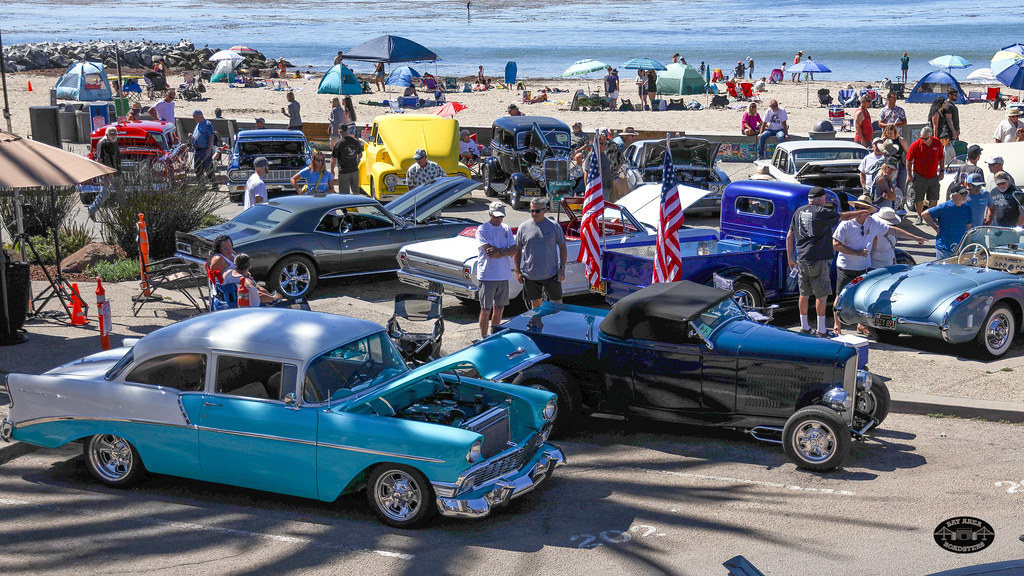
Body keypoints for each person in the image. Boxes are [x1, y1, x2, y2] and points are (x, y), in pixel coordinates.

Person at [834, 195, 925, 333]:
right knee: (840, 296)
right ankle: (837, 326)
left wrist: (914, 237)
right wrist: (856, 253)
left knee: (861, 297)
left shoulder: (872, 223)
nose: (858, 210)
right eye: (856, 207)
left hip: (864, 267)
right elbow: (835, 245)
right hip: (846, 266)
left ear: (867, 212)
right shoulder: (845, 224)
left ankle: (860, 325)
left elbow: (893, 230)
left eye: (862, 208)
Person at [786, 187, 866, 337]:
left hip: (802, 259)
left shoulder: (798, 212)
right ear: (821, 199)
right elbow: (845, 216)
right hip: (818, 259)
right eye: (824, 199)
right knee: (821, 296)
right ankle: (822, 330)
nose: (824, 202)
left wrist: (791, 258)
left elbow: (790, 236)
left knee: (804, 294)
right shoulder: (821, 212)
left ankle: (804, 327)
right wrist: (861, 212)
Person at [514, 198, 568, 309]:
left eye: (537, 211)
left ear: (545, 211)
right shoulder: (523, 227)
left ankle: (555, 321)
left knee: (557, 304)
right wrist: (517, 271)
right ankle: (537, 321)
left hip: (551, 274)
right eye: (532, 211)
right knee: (535, 305)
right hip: (531, 276)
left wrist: (562, 268)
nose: (534, 213)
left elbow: (563, 247)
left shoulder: (554, 226)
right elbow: (517, 250)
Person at [475, 202, 518, 339]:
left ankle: (494, 336)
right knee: (486, 309)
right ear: (490, 214)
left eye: (501, 217)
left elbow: (514, 249)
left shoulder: (506, 228)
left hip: (503, 275)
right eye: (496, 216)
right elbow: (490, 252)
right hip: (487, 275)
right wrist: (504, 251)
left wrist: (500, 251)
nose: (498, 219)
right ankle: (483, 336)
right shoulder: (482, 229)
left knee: (499, 308)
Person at [906, 125, 944, 223]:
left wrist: (942, 171)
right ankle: (919, 216)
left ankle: (931, 216)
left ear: (930, 136)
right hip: (919, 175)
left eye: (925, 138)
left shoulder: (937, 143)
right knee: (918, 198)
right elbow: (909, 159)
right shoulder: (916, 144)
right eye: (921, 138)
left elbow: (941, 157)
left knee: (934, 197)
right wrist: (909, 174)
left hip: (933, 175)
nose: (923, 140)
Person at [924, 188, 972, 259]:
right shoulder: (944, 207)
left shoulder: (967, 208)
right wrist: (935, 227)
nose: (965, 196)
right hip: (944, 250)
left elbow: (968, 228)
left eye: (966, 193)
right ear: (953, 195)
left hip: (960, 249)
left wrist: (967, 247)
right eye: (962, 193)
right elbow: (925, 214)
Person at [330, 131, 363, 195]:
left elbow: (333, 159)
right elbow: (360, 155)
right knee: (356, 192)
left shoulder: (339, 143)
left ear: (339, 132)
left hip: (343, 172)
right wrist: (357, 163)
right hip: (354, 170)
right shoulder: (355, 141)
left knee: (344, 194)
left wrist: (332, 170)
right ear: (347, 131)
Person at [191, 109, 216, 184]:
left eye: (194, 116)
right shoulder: (198, 124)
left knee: (208, 169)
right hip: (197, 150)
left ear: (199, 116)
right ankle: (201, 186)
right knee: (198, 169)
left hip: (204, 149)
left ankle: (214, 185)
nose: (193, 118)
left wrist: (209, 150)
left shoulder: (207, 124)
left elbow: (211, 137)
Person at [881, 124, 909, 190]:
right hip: (888, 164)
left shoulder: (900, 140)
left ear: (895, 132)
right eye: (887, 133)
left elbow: (907, 152)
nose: (889, 135)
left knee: (901, 185)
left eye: (891, 133)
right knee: (889, 184)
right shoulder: (885, 140)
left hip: (900, 163)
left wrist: (907, 163)